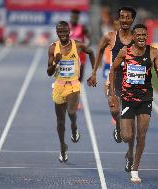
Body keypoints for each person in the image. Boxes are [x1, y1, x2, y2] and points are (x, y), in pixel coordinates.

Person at [109, 24, 158, 183]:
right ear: (133, 36)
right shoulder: (125, 52)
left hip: (145, 99)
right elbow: (113, 70)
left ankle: (135, 168)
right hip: (127, 98)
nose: (141, 37)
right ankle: (126, 145)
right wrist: (112, 93)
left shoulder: (153, 51)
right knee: (127, 136)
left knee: (141, 135)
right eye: (138, 35)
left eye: (144, 35)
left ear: (147, 36)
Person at [87, 7, 136, 146]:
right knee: (114, 109)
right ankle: (118, 124)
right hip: (114, 77)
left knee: (130, 117)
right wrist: (94, 72)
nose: (124, 20)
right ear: (119, 20)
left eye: (128, 18)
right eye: (122, 17)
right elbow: (100, 51)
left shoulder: (136, 37)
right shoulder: (109, 37)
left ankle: (129, 144)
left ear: (132, 20)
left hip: (131, 79)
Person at [47, 21, 95, 163]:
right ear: (57, 33)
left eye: (64, 31)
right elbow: (49, 72)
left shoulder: (78, 45)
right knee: (60, 122)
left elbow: (91, 52)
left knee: (72, 112)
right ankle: (63, 148)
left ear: (69, 31)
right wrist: (55, 62)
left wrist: (93, 73)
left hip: (74, 84)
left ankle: (74, 127)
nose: (62, 34)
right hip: (59, 86)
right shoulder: (52, 48)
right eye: (59, 32)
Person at [70, 9, 91, 82]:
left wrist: (85, 48)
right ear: (71, 17)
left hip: (81, 55)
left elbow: (89, 39)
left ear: (78, 18)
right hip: (69, 55)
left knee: (80, 78)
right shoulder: (67, 27)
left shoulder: (82, 27)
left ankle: (78, 90)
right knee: (70, 78)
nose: (74, 19)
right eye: (73, 17)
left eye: (75, 17)